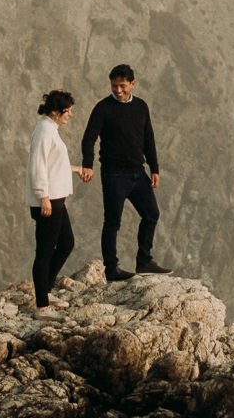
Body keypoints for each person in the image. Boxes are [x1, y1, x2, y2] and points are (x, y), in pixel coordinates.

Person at [78, 63, 170, 280]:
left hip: (138, 172)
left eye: (122, 86)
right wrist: (88, 165)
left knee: (151, 214)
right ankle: (111, 269)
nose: (118, 90)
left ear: (132, 83)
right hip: (113, 174)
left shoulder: (141, 107)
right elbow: (88, 138)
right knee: (112, 222)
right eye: (114, 86)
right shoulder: (103, 108)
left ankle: (144, 260)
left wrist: (154, 168)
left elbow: (148, 138)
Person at [26, 89, 79, 311]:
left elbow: (52, 165)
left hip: (56, 198)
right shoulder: (44, 131)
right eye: (68, 111)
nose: (71, 115)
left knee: (66, 243)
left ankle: (46, 290)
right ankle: (41, 305)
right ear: (57, 112)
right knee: (45, 252)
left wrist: (75, 169)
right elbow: (37, 165)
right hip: (48, 201)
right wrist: (43, 196)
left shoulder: (51, 129)